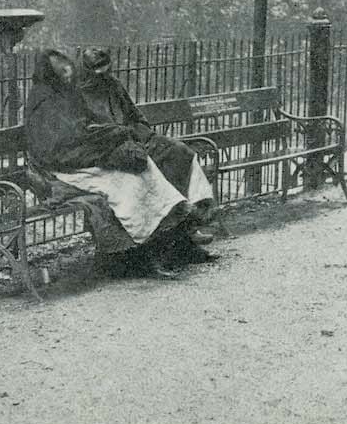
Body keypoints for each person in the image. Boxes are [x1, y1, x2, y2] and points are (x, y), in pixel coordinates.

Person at [24, 49, 212, 278]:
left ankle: (176, 238)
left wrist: (112, 140)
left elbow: (92, 128)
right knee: (131, 181)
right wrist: (102, 150)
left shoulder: (69, 94)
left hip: (88, 157)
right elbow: (54, 151)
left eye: (68, 69)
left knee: (154, 166)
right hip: (64, 168)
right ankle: (142, 253)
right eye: (62, 71)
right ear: (49, 74)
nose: (68, 74)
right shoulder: (43, 102)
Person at [77, 47, 217, 232]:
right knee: (146, 169)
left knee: (179, 152)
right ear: (87, 70)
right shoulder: (76, 95)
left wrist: (143, 134)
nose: (103, 74)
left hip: (133, 139)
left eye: (106, 68)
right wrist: (117, 135)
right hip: (106, 149)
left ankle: (191, 218)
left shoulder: (113, 85)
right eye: (97, 70)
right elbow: (83, 133)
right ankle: (171, 226)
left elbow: (134, 115)